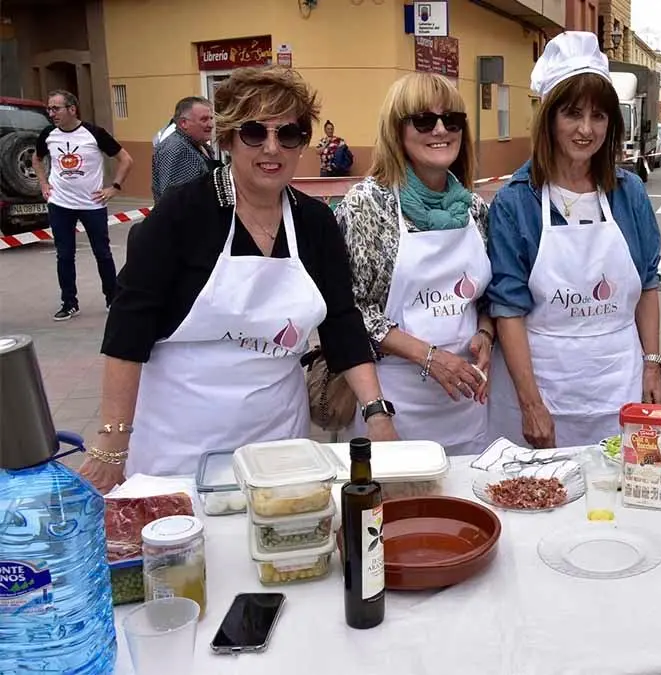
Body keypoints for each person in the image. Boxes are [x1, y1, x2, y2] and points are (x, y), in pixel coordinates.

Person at [82, 66, 397, 493]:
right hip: (179, 449)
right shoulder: (181, 215)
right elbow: (126, 333)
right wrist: (111, 446)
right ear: (228, 138)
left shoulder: (316, 222)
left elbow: (342, 322)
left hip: (278, 444)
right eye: (254, 132)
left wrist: (377, 414)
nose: (272, 148)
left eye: (288, 134)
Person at [486, 31, 661, 449]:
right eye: (572, 114)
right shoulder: (518, 201)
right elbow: (507, 309)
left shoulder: (628, 192)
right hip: (545, 387)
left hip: (618, 382)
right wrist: (531, 404)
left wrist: (652, 366)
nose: (586, 129)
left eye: (599, 116)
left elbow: (648, 285)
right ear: (549, 119)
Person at [336, 73, 493, 456]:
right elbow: (350, 312)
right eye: (424, 120)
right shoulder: (367, 205)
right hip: (394, 403)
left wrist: (486, 333)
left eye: (451, 120)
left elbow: (487, 298)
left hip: (466, 405)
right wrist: (430, 357)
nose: (440, 129)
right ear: (397, 130)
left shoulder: (473, 208)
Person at [33, 90, 134, 321]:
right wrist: (43, 183)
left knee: (103, 253)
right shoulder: (48, 134)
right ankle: (69, 303)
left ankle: (112, 298)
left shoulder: (94, 133)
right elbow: (37, 158)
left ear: (72, 109)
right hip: (60, 204)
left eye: (56, 108)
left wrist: (114, 187)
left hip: (92, 204)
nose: (51, 113)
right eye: (49, 109)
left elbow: (126, 159)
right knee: (64, 255)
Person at [152, 96, 220, 202]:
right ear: (184, 123)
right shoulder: (175, 149)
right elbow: (173, 202)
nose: (211, 125)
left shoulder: (200, 145)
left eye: (211, 118)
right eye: (204, 119)